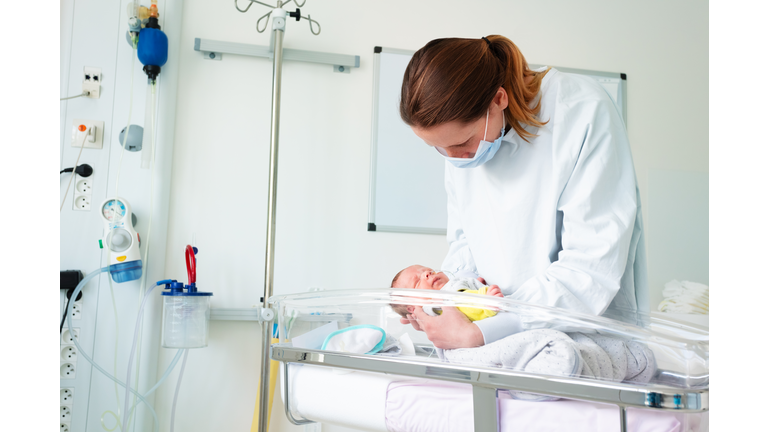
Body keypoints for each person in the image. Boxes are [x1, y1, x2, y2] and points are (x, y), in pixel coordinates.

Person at [398, 35, 648, 349]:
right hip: (493, 333)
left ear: (498, 99)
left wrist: (496, 326)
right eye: (439, 149)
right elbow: (466, 243)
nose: (455, 159)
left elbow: (591, 268)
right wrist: (441, 299)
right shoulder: (461, 141)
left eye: (461, 144)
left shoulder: (580, 110)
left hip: (584, 339)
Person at [389, 265, 503, 321]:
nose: (427, 274)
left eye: (429, 270)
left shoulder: (451, 286)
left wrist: (474, 285)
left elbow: (462, 291)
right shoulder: (432, 308)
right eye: (417, 282)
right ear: (412, 308)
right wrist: (485, 302)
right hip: (487, 308)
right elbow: (462, 307)